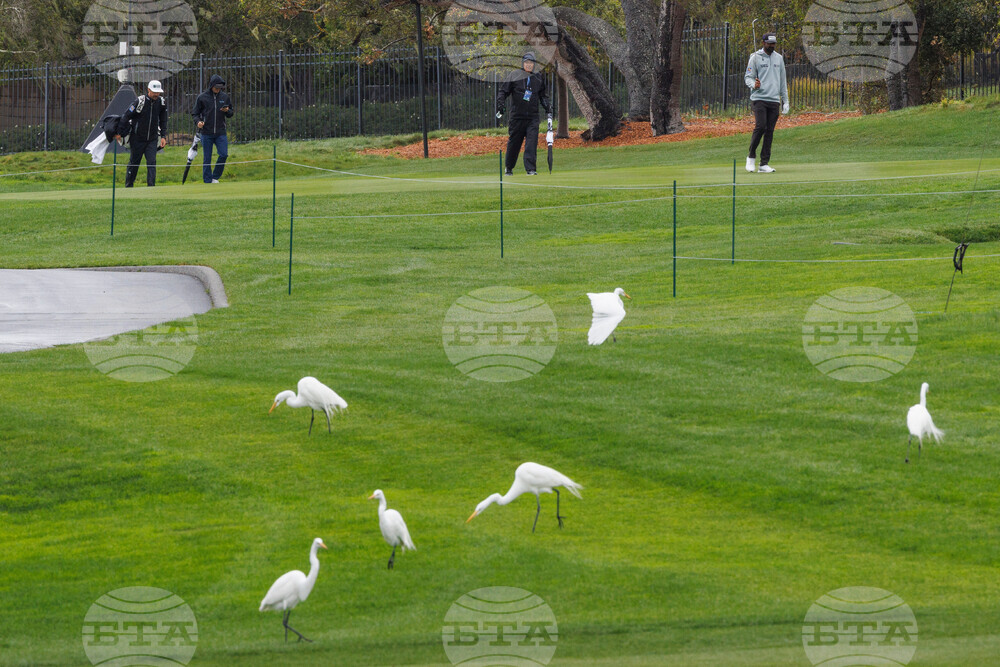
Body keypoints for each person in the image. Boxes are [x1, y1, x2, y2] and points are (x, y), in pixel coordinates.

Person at [496, 52, 552, 176]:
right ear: (523, 63)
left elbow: (543, 96)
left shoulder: (538, 78)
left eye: (531, 63)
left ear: (534, 64)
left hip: (532, 117)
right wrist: (500, 105)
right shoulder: (514, 75)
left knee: (531, 144)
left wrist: (548, 107)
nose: (529, 65)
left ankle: (531, 169)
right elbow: (503, 92)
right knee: (514, 143)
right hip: (517, 117)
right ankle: (509, 168)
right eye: (526, 63)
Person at [744, 33, 789, 174]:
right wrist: (754, 85)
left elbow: (782, 81)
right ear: (763, 43)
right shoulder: (755, 57)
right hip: (759, 98)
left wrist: (785, 101)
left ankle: (764, 164)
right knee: (761, 126)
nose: (772, 46)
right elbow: (748, 77)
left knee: (769, 131)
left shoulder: (779, 59)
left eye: (774, 43)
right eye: (769, 43)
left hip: (774, 100)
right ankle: (751, 156)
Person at [118, 80, 168, 187]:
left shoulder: (161, 102)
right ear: (148, 90)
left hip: (152, 139)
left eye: (158, 92)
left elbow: (163, 121)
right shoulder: (139, 101)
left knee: (152, 163)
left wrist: (163, 136)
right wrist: (120, 133)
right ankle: (129, 186)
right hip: (137, 138)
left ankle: (151, 188)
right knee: (134, 163)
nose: (156, 94)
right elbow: (126, 116)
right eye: (154, 92)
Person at [192, 74, 235, 184]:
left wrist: (227, 111)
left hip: (221, 132)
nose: (218, 90)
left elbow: (231, 113)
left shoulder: (225, 97)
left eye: (220, 88)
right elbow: (195, 114)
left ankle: (214, 177)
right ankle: (207, 181)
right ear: (211, 86)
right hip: (206, 133)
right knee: (207, 158)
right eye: (216, 87)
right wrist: (198, 122)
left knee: (223, 154)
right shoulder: (202, 97)